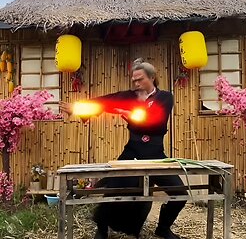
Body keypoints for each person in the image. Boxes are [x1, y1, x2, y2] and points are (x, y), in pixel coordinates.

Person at [60, 58, 186, 239]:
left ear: (151, 77)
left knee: (180, 193)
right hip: (132, 153)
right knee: (113, 187)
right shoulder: (128, 97)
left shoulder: (165, 97)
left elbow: (156, 119)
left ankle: (163, 228)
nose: (136, 83)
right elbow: (104, 102)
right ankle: (102, 228)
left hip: (156, 155)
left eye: (140, 79)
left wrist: (131, 115)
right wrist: (78, 108)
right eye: (134, 80)